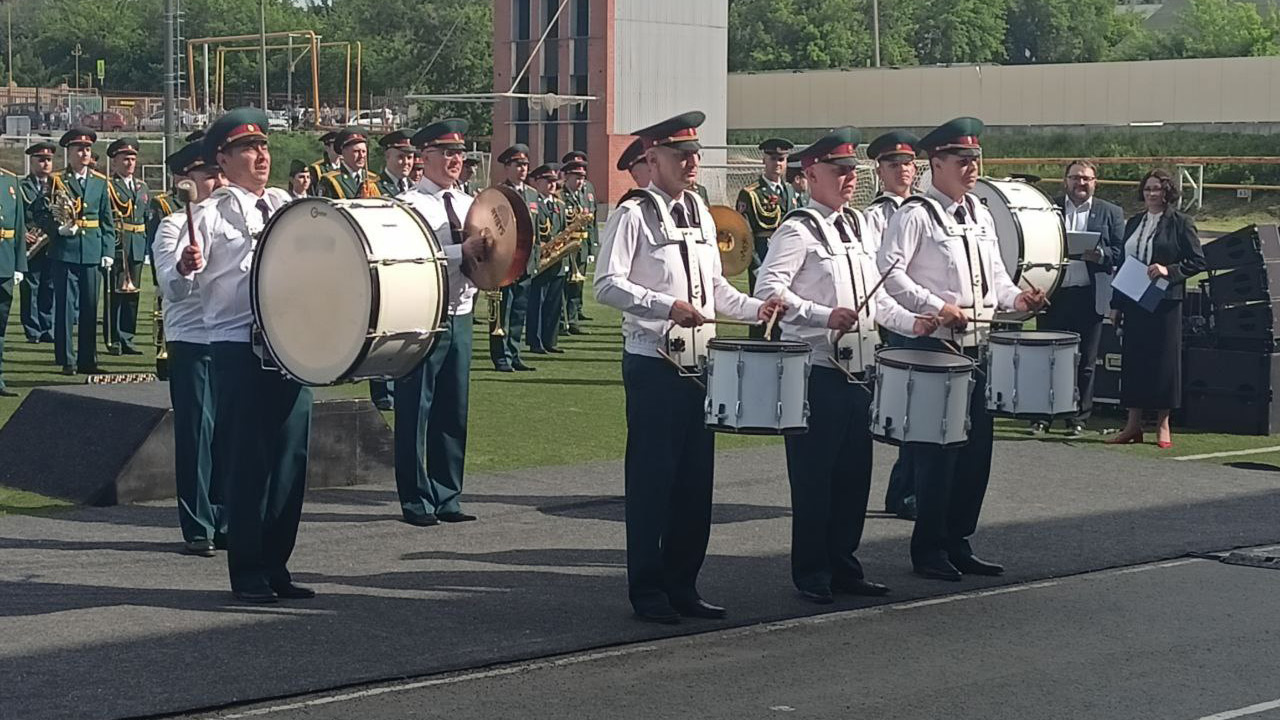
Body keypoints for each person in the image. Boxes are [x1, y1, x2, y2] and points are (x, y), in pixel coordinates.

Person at [594, 111, 784, 624]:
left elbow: (715, 288)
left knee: (695, 484)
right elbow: (606, 284)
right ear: (652, 159)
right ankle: (648, 591)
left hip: (702, 363)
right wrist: (664, 305)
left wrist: (753, 308)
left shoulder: (701, 211)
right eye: (681, 155)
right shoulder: (632, 214)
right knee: (654, 481)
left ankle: (684, 584)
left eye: (695, 155)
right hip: (654, 363)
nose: (691, 163)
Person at [755, 127, 932, 605]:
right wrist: (819, 315)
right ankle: (811, 570)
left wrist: (915, 322)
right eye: (840, 171)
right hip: (816, 369)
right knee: (815, 478)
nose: (850, 179)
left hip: (861, 369)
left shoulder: (857, 226)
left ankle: (844, 564)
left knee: (854, 477)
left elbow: (878, 300)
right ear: (812, 175)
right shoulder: (797, 229)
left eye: (854, 171)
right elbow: (768, 291)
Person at [877, 117, 1046, 582]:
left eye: (975, 160)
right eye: (962, 160)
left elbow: (995, 279)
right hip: (935, 348)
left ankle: (958, 539)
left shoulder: (980, 214)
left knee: (976, 451)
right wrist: (936, 306)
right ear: (936, 164)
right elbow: (889, 275)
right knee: (937, 453)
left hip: (977, 345)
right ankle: (928, 546)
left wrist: (1019, 299)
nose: (972, 168)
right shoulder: (914, 214)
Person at [178, 108, 315, 603]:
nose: (261, 156)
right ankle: (248, 572)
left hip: (291, 345)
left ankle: (277, 564)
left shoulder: (285, 203)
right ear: (223, 158)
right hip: (239, 348)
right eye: (248, 149)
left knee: (290, 462)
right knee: (248, 463)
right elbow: (178, 288)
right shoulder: (210, 214)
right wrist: (184, 266)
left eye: (264, 148)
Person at [393, 118, 490, 528]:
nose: (456, 160)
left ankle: (447, 493)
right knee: (416, 408)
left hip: (462, 310)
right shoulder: (410, 205)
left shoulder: (471, 203)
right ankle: (416, 498)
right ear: (424, 158)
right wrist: (460, 250)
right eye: (447, 153)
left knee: (454, 408)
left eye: (459, 153)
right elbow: (411, 256)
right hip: (423, 315)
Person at [154, 139, 227, 556]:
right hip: (194, 339)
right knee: (198, 435)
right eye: (207, 175)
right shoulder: (172, 226)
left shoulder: (232, 217)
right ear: (185, 181)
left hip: (231, 339)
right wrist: (183, 267)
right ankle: (199, 525)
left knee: (229, 435)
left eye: (218, 172)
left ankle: (227, 518)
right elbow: (172, 288)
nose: (216, 180)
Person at [1107, 169, 1206, 449]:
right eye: (1149, 188)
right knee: (1134, 360)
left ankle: (1163, 424)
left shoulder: (1181, 223)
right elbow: (1123, 264)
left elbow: (1198, 261)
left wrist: (1168, 270)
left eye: (1158, 189)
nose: (1153, 193)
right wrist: (1116, 305)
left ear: (1168, 192)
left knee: (1164, 362)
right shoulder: (1134, 222)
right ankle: (1133, 425)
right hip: (1134, 298)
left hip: (1164, 301)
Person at [1031, 160, 1125, 437]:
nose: (1080, 183)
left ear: (1095, 182)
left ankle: (1078, 417)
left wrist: (1101, 255)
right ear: (1065, 180)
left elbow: (1120, 251)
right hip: (1054, 294)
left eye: (1086, 179)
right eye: (1075, 178)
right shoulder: (1049, 209)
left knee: (1086, 361)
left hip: (1090, 295)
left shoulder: (1111, 212)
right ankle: (1042, 416)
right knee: (1046, 358)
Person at [863, 130, 922, 521]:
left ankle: (910, 488)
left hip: (926, 318)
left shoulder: (927, 209)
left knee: (923, 408)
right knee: (909, 408)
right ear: (879, 171)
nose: (902, 170)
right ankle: (904, 490)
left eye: (907, 163)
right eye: (893, 164)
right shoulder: (874, 216)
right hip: (894, 319)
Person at [51, 127, 115, 376]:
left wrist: (107, 250)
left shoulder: (100, 182)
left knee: (90, 307)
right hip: (66, 249)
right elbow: (48, 214)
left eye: (87, 149)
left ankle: (88, 358)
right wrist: (60, 229)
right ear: (69, 153)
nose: (84, 153)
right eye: (79, 149)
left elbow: (106, 220)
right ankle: (67, 359)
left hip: (91, 250)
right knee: (66, 308)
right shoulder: (58, 180)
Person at [489, 143, 538, 373]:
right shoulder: (498, 193)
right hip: (505, 264)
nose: (523, 169)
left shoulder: (532, 194)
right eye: (518, 165)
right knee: (502, 314)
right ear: (506, 167)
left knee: (519, 313)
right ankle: (500, 357)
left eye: (525, 165)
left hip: (526, 264)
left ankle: (514, 353)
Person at [105, 138, 151, 355]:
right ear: (115, 162)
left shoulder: (142, 186)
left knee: (133, 295)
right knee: (115, 294)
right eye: (125, 159)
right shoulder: (109, 185)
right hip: (119, 243)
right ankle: (113, 338)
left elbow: (146, 216)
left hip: (137, 245)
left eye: (133, 159)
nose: (130, 163)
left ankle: (128, 337)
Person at [736, 138, 797, 295]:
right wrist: (756, 266)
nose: (777, 163)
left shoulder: (790, 191)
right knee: (764, 309)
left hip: (788, 259)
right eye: (773, 159)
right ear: (764, 160)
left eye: (781, 159)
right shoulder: (750, 194)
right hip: (764, 257)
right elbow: (745, 234)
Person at [19, 141, 58, 345]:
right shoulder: (21, 186)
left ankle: (46, 327)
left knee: (49, 287)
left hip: (51, 243)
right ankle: (32, 329)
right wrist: (23, 232)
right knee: (31, 287)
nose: (45, 163)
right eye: (41, 159)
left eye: (48, 160)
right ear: (31, 161)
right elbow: (15, 214)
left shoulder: (57, 184)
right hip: (31, 244)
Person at [525, 163, 567, 355]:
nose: (551, 185)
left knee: (554, 303)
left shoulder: (560, 205)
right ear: (537, 182)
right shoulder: (534, 204)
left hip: (557, 261)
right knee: (537, 303)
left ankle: (551, 340)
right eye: (547, 181)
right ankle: (536, 341)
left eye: (554, 182)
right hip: (541, 260)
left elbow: (564, 231)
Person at [561, 151, 598, 327]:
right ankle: (563, 319)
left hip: (582, 244)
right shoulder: (561, 194)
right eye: (576, 177)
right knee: (564, 284)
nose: (580, 181)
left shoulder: (587, 191)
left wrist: (592, 246)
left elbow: (592, 220)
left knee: (578, 284)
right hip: (567, 246)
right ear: (567, 176)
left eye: (582, 177)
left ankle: (574, 316)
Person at [0, 165, 28, 397]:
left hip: (5, 261)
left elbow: (19, 225)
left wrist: (20, 264)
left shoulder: (10, 181)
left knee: (1, 326)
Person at [318, 128, 379, 199]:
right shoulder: (331, 180)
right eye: (356, 151)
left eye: (364, 151)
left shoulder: (373, 179)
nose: (361, 156)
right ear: (344, 153)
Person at [377, 129, 416, 196]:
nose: (406, 162)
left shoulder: (415, 188)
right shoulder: (374, 187)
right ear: (387, 156)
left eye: (409, 158)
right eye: (400, 157)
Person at [305, 131, 340, 196]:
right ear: (327, 148)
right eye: (335, 146)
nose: (339, 148)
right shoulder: (316, 169)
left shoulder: (346, 166)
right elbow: (311, 192)